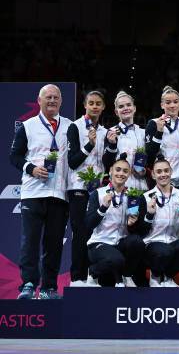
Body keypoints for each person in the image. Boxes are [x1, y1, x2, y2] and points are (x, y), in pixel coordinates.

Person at [10, 84, 71, 299]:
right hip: (33, 193)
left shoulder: (70, 126)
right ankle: (27, 284)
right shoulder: (27, 126)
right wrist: (32, 169)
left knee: (54, 244)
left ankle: (49, 288)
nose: (52, 101)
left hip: (59, 194)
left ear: (61, 101)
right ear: (39, 100)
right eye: (48, 97)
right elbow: (15, 156)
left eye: (56, 97)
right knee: (30, 242)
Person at [66, 90, 108, 287]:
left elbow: (106, 162)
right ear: (85, 105)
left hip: (98, 190)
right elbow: (73, 162)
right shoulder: (75, 127)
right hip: (78, 189)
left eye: (98, 103)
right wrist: (89, 145)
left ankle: (93, 277)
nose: (94, 106)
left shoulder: (105, 132)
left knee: (95, 234)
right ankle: (77, 278)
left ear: (103, 107)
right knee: (80, 233)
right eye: (91, 103)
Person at [85, 154, 145, 287]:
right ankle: (93, 272)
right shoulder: (98, 194)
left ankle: (126, 275)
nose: (121, 173)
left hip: (120, 242)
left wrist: (131, 225)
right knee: (116, 259)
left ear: (129, 174)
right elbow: (88, 224)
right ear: (110, 171)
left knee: (137, 242)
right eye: (117, 169)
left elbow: (138, 229)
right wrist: (103, 208)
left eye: (125, 171)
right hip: (100, 243)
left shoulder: (133, 196)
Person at [138, 155, 179, 287]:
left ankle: (168, 278)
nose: (163, 174)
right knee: (164, 251)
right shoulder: (146, 197)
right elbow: (140, 230)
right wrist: (149, 215)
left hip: (173, 241)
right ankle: (155, 276)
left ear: (171, 172)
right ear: (153, 175)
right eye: (159, 172)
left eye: (166, 171)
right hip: (152, 243)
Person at [145, 86, 179, 190]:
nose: (172, 105)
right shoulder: (153, 123)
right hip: (163, 182)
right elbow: (149, 154)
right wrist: (159, 132)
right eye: (168, 102)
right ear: (162, 105)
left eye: (175, 102)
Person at [102, 91, 148, 191]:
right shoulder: (111, 132)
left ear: (134, 108)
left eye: (128, 105)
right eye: (121, 106)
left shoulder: (143, 133)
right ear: (116, 111)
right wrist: (112, 145)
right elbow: (106, 163)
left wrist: (145, 171)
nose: (126, 108)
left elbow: (150, 160)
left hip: (141, 186)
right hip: (119, 188)